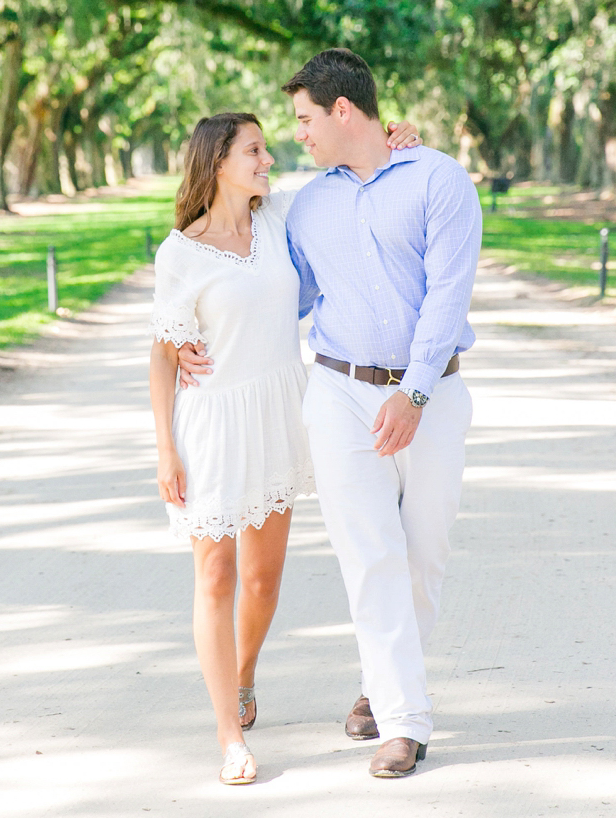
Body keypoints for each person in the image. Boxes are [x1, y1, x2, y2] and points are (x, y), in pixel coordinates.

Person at [179, 48, 481, 779]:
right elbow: (272, 284)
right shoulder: (307, 203)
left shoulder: (441, 180)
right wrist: (191, 335)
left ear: (343, 111)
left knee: (422, 553)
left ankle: (383, 685)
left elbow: (447, 294)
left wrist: (412, 394)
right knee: (369, 553)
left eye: (306, 119)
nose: (298, 137)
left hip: (432, 392)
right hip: (340, 391)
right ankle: (403, 721)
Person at [148, 110, 420, 786]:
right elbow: (160, 355)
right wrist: (164, 450)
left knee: (264, 580)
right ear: (216, 162)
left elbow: (344, 176)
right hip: (211, 428)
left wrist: (390, 140)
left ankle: (242, 677)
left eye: (268, 148)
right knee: (215, 577)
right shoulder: (179, 253)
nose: (267, 160)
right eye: (254, 151)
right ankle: (228, 734)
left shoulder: (280, 222)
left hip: (278, 415)